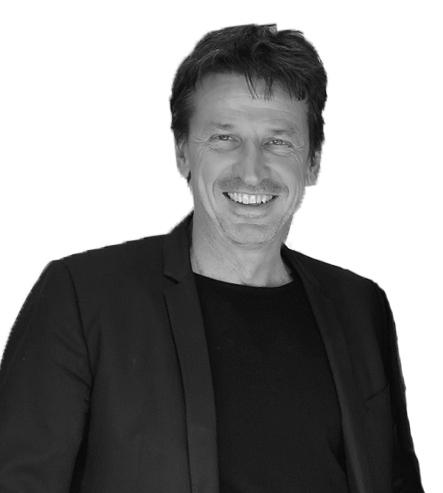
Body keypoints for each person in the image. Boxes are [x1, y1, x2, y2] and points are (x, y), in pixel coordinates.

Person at [0, 23, 425, 493]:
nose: (252, 171)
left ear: (313, 162)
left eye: (278, 142)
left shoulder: (360, 307)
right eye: (224, 138)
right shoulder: (83, 299)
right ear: (183, 152)